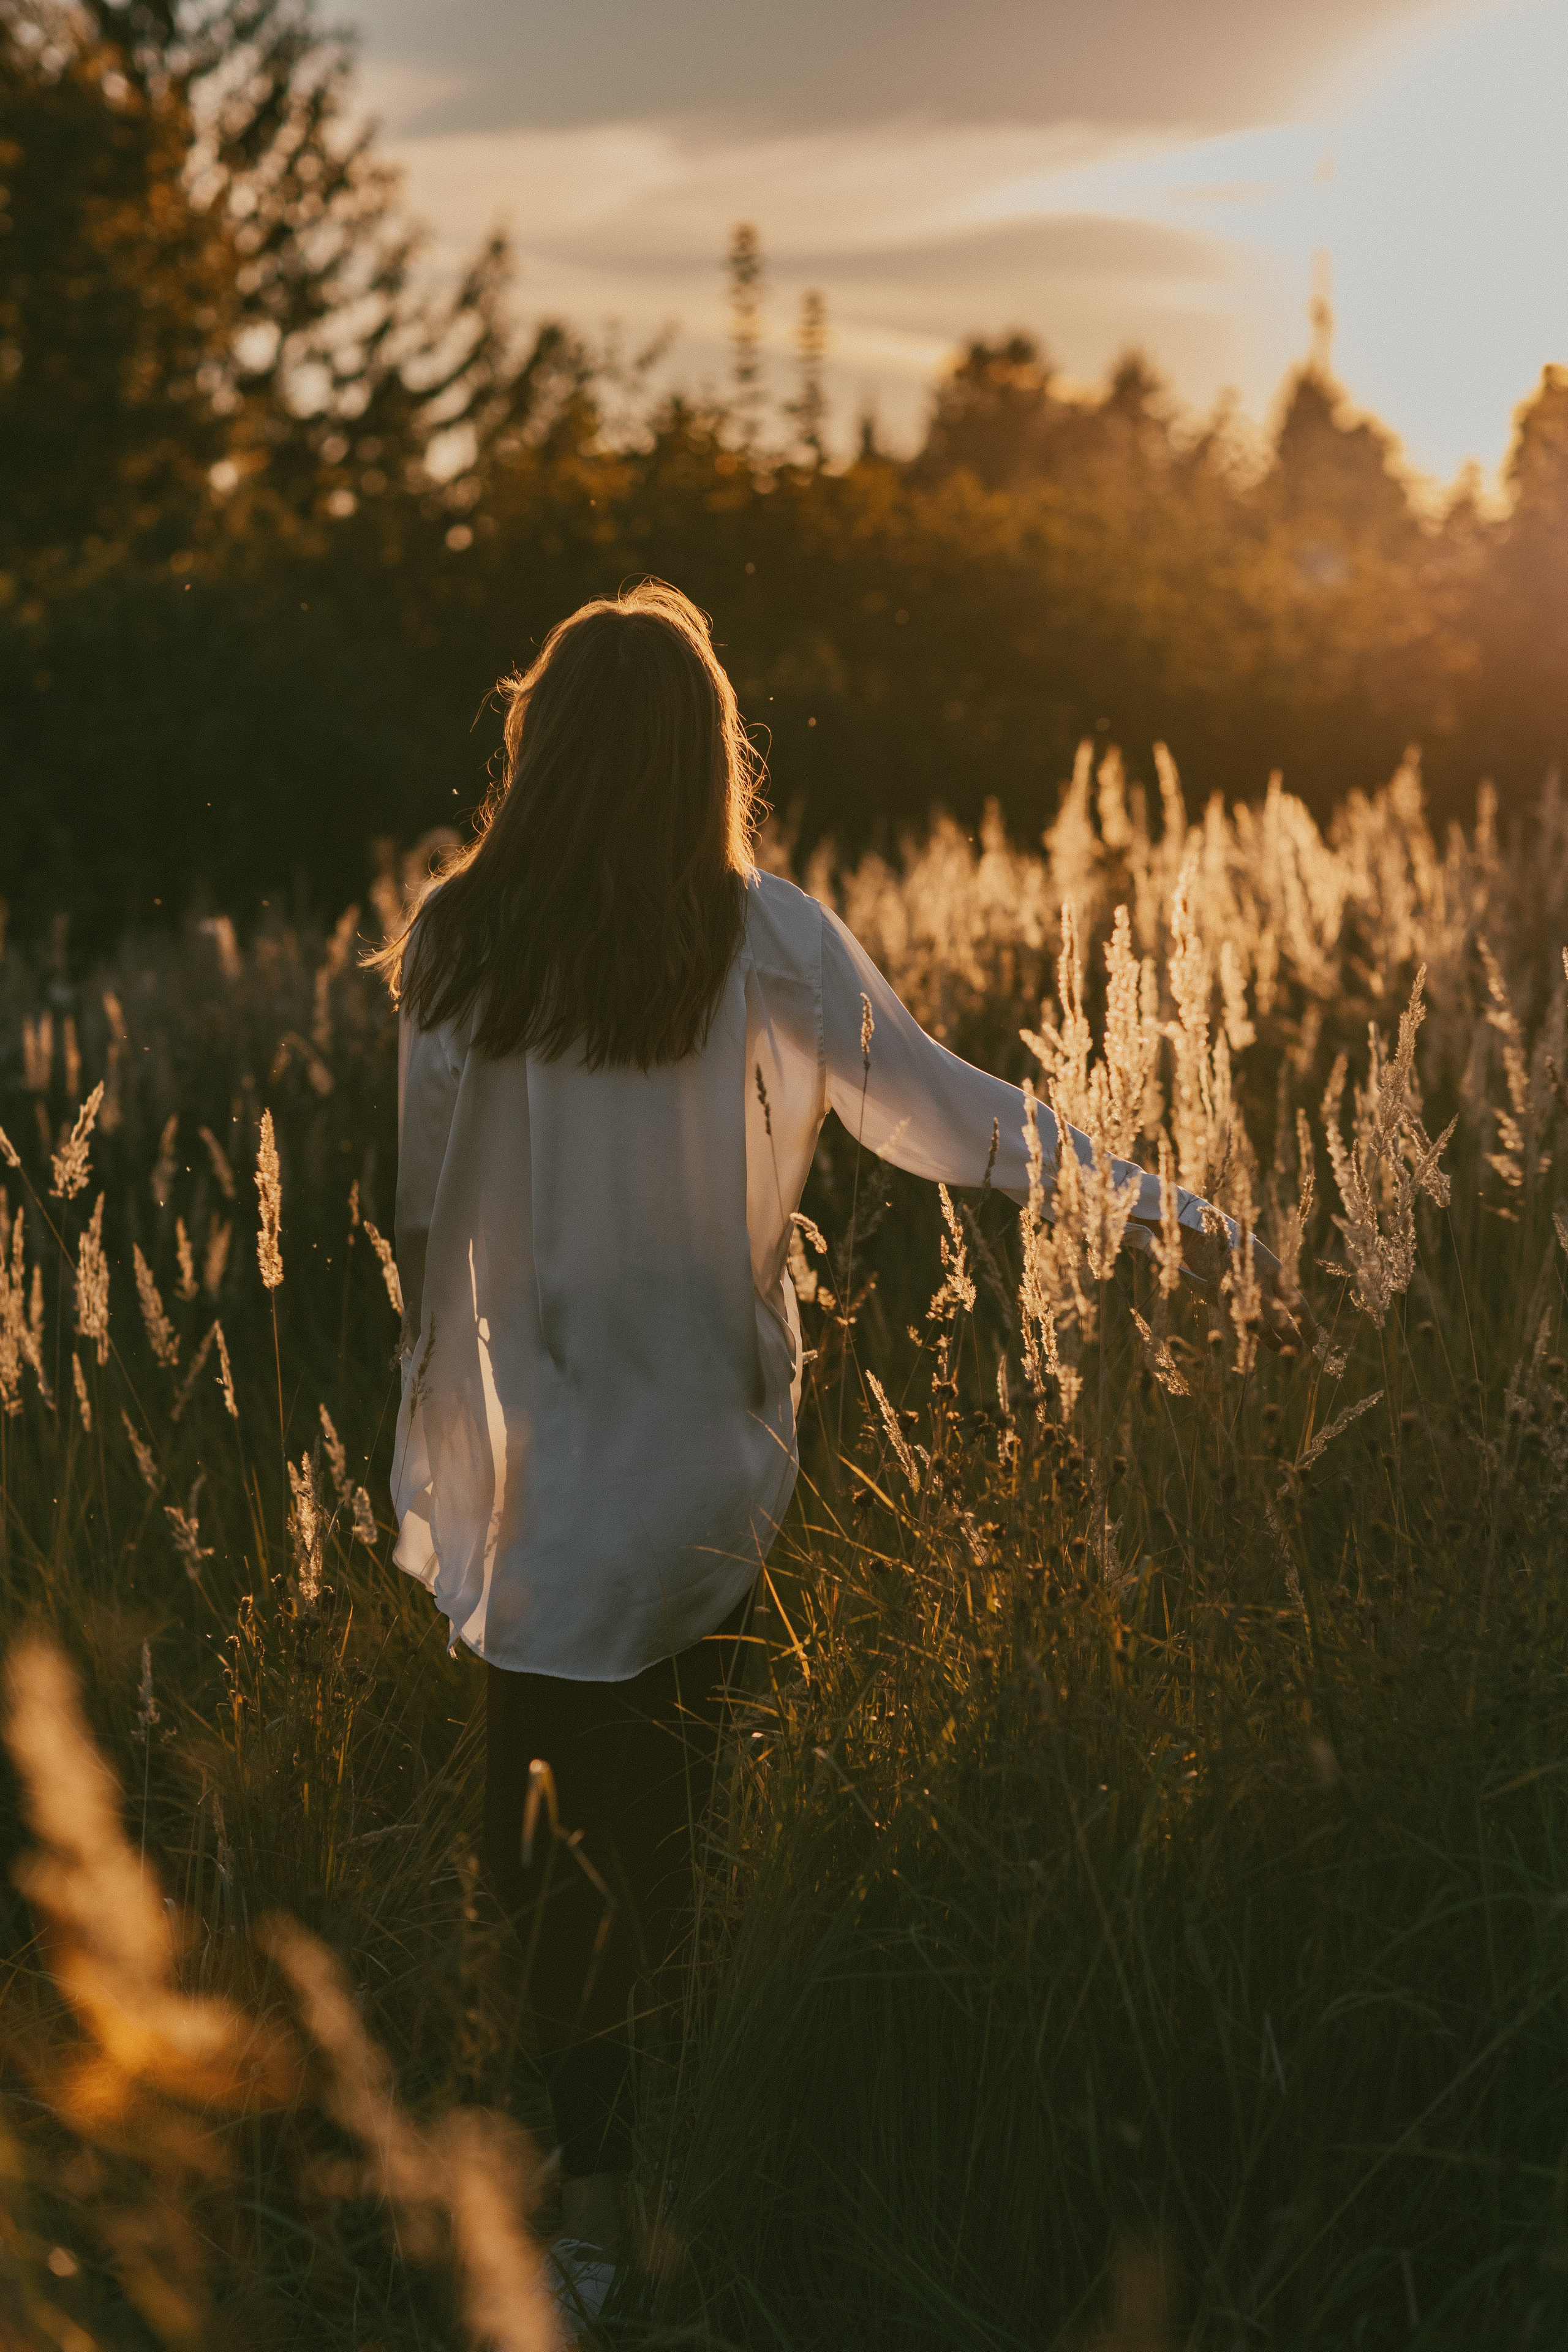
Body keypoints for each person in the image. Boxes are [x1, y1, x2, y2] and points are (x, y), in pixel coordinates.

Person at [378, 581, 1307, 2315]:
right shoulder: (767, 942)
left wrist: (447, 1410)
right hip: (699, 1485)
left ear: (544, 747)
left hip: (536, 1479)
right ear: (702, 759)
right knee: (675, 1833)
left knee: (549, 1853)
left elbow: (428, 1211)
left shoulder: (457, 939)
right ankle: (669, 2178)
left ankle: (588, 2215)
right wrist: (1193, 1225)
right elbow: (963, 1122)